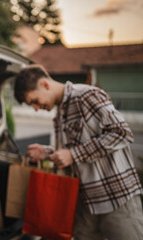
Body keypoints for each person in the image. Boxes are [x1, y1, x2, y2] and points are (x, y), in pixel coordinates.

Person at [14, 64, 143, 240]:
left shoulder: (86, 95)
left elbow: (121, 132)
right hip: (86, 204)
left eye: (34, 101)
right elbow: (74, 150)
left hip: (116, 198)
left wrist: (73, 155)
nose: (36, 108)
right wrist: (48, 152)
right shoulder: (59, 113)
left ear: (45, 84)